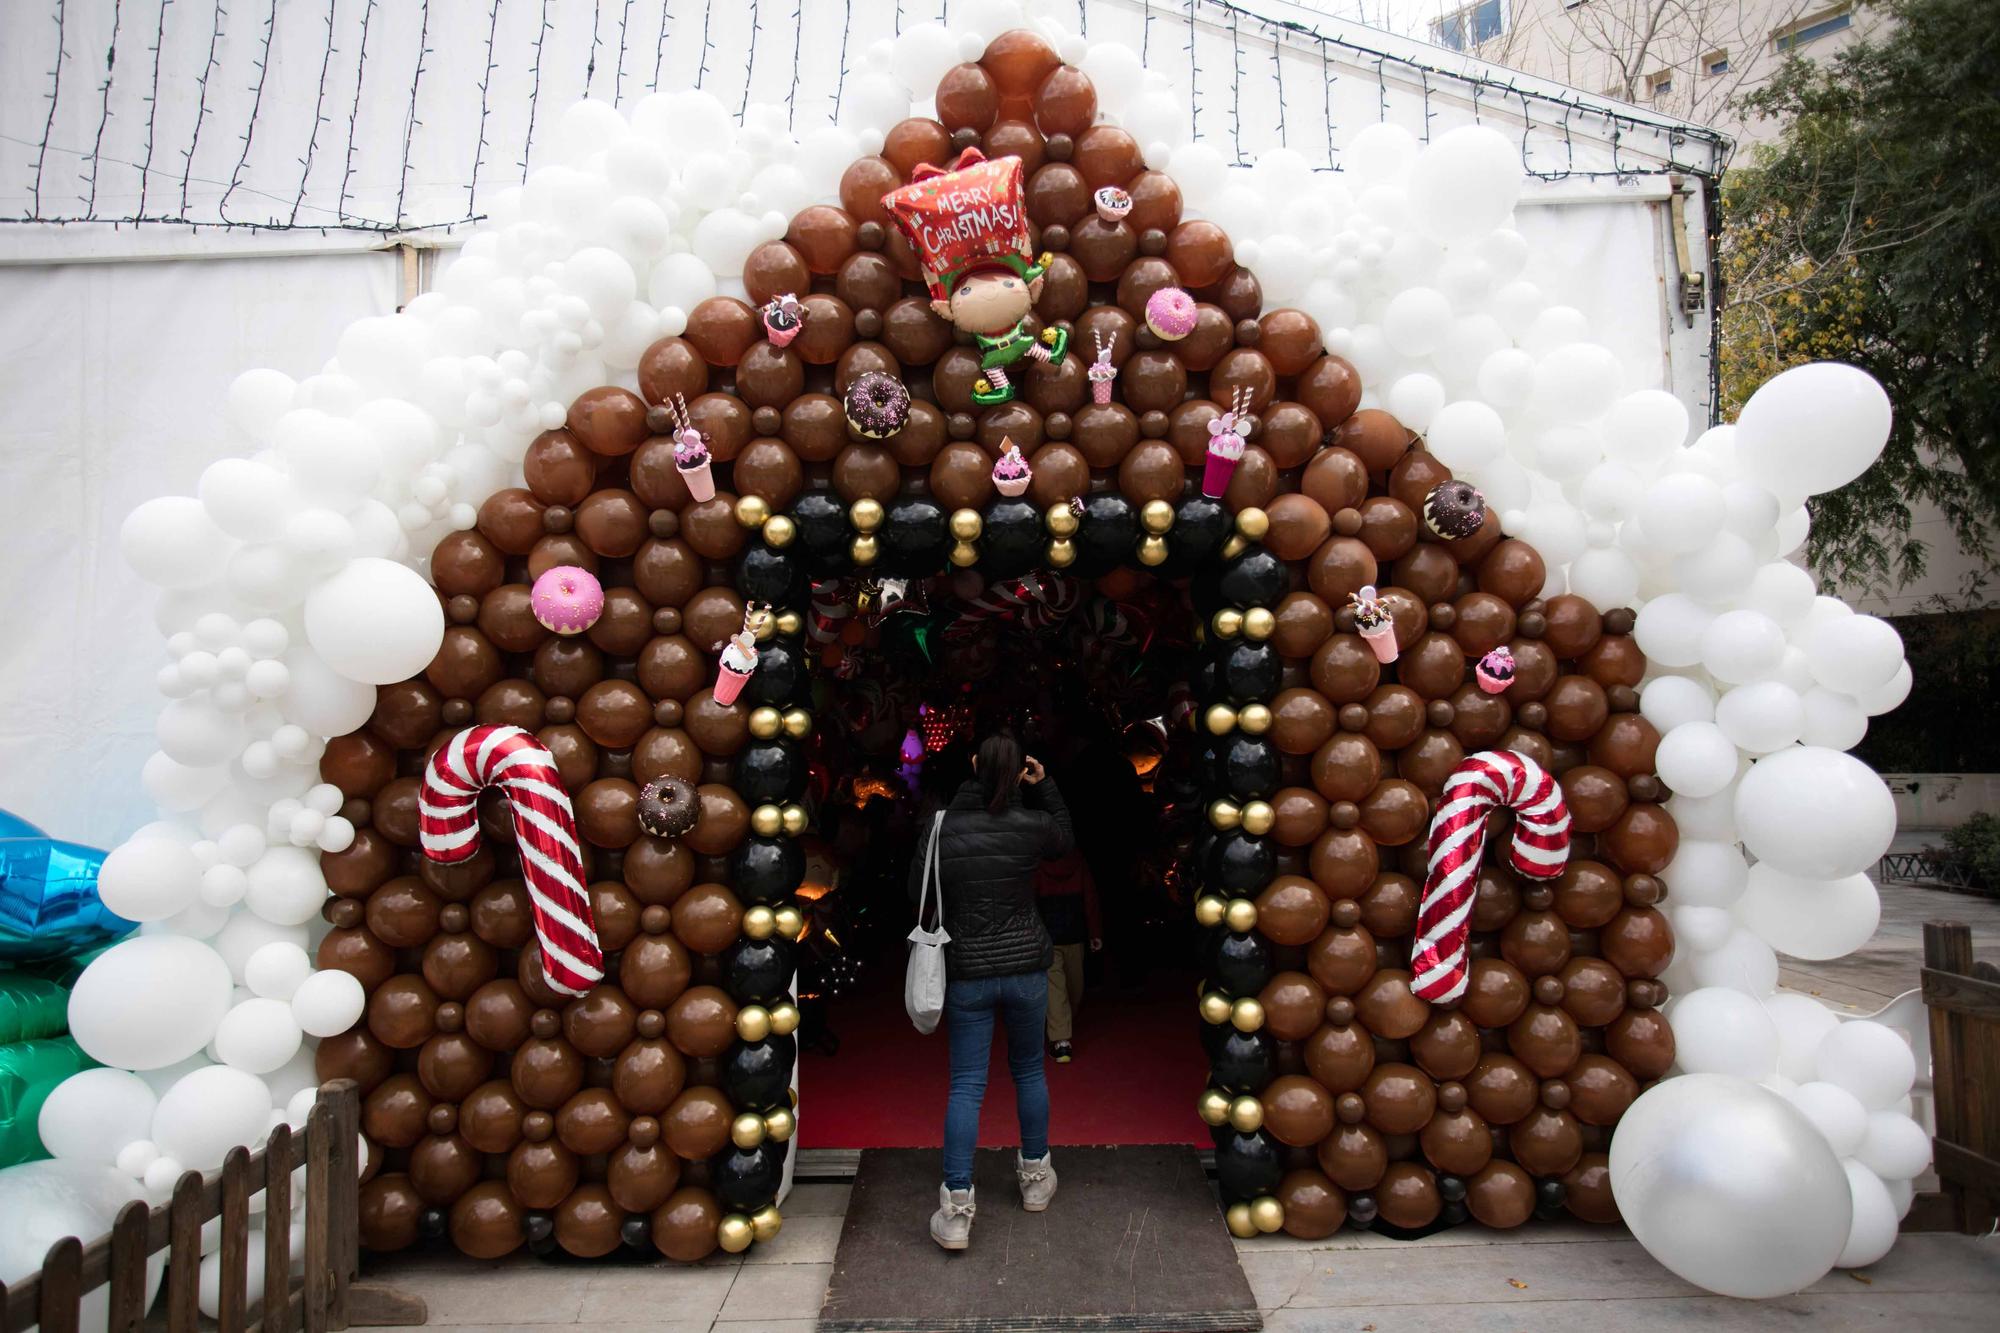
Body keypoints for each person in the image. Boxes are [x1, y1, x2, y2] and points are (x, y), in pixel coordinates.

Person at [909, 731, 1073, 1251]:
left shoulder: (942, 827)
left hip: (970, 969)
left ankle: (956, 1209)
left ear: (975, 765)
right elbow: (1064, 842)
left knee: (966, 1086)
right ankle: (1034, 1180)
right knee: (1028, 1070)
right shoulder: (1030, 825)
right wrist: (1044, 788)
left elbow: (917, 893)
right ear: (1019, 771)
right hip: (1027, 966)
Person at [1034, 848, 1101, 1062]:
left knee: (1060, 987)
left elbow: (1030, 902)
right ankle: (1061, 1037)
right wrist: (1095, 932)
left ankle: (1060, 1031)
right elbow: (1090, 898)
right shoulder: (1078, 861)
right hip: (1074, 932)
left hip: (1050, 933)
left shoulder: (1035, 864)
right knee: (1071, 986)